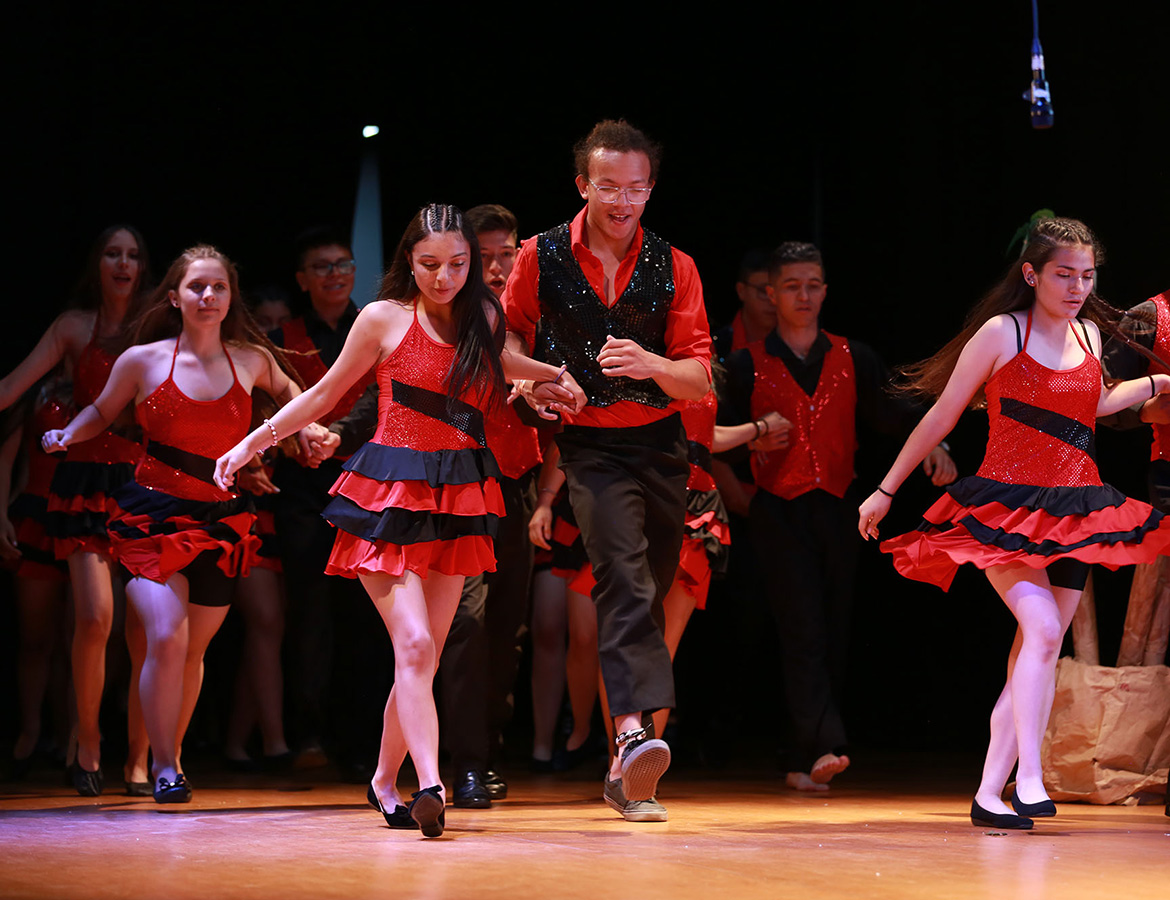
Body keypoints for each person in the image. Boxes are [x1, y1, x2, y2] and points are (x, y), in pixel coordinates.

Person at [215, 204, 569, 838]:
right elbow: (324, 395)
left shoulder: (483, 315)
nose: (444, 277)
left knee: (422, 660)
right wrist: (252, 444)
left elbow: (497, 364)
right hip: (386, 496)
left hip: (458, 494)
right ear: (408, 259)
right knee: (413, 645)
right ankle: (429, 784)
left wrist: (549, 375)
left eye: (458, 264)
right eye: (430, 264)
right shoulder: (381, 319)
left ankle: (384, 780)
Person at [858, 218, 1170, 830]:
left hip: (1078, 509)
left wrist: (1159, 380)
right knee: (1044, 628)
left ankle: (988, 792)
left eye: (1087, 275)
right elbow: (942, 415)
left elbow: (1096, 402)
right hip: (1004, 509)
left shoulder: (1087, 334)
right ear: (1031, 273)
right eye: (1063, 274)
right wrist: (884, 489)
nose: (1077, 287)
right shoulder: (1004, 332)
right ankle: (1031, 774)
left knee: (1038, 648)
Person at [43, 245, 326, 803]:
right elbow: (101, 411)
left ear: (230, 297)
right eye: (197, 286)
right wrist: (67, 434)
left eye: (219, 287)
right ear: (174, 296)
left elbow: (297, 394)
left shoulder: (251, 360)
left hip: (222, 522)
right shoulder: (143, 360)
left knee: (193, 651)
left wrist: (309, 430)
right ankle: (167, 766)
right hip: (151, 518)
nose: (208, 296)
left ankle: (160, 754)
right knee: (166, 637)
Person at [501, 119, 712, 817]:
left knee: (644, 592)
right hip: (588, 447)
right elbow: (504, 345)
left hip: (660, 448)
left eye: (636, 188)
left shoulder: (675, 263)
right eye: (609, 187)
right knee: (620, 578)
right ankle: (630, 736)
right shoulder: (540, 255)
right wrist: (539, 380)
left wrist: (654, 363)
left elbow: (699, 379)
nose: (623, 201)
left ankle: (626, 772)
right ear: (583, 186)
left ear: (651, 187)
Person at [725, 240, 957, 791]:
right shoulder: (745, 364)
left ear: (825, 290)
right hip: (778, 511)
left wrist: (932, 447)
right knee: (802, 627)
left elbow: (889, 412)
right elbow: (711, 437)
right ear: (771, 294)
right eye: (791, 286)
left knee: (832, 625)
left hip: (838, 508)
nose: (803, 296)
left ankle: (798, 753)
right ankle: (821, 747)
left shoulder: (854, 355)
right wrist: (753, 447)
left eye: (812, 285)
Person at [0, 225, 151, 795]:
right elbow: (12, 387)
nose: (123, 263)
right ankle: (85, 741)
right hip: (82, 481)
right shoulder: (72, 327)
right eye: (113, 253)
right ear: (98, 263)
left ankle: (140, 758)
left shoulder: (157, 325)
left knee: (144, 629)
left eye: (133, 255)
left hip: (142, 483)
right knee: (94, 618)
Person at [438, 203, 542, 807]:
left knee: (507, 630)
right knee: (466, 622)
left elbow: (540, 404)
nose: (500, 266)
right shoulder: (447, 320)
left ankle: (488, 749)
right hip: (459, 482)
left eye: (509, 253)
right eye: (488, 255)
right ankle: (466, 763)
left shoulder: (530, 314)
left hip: (517, 482)